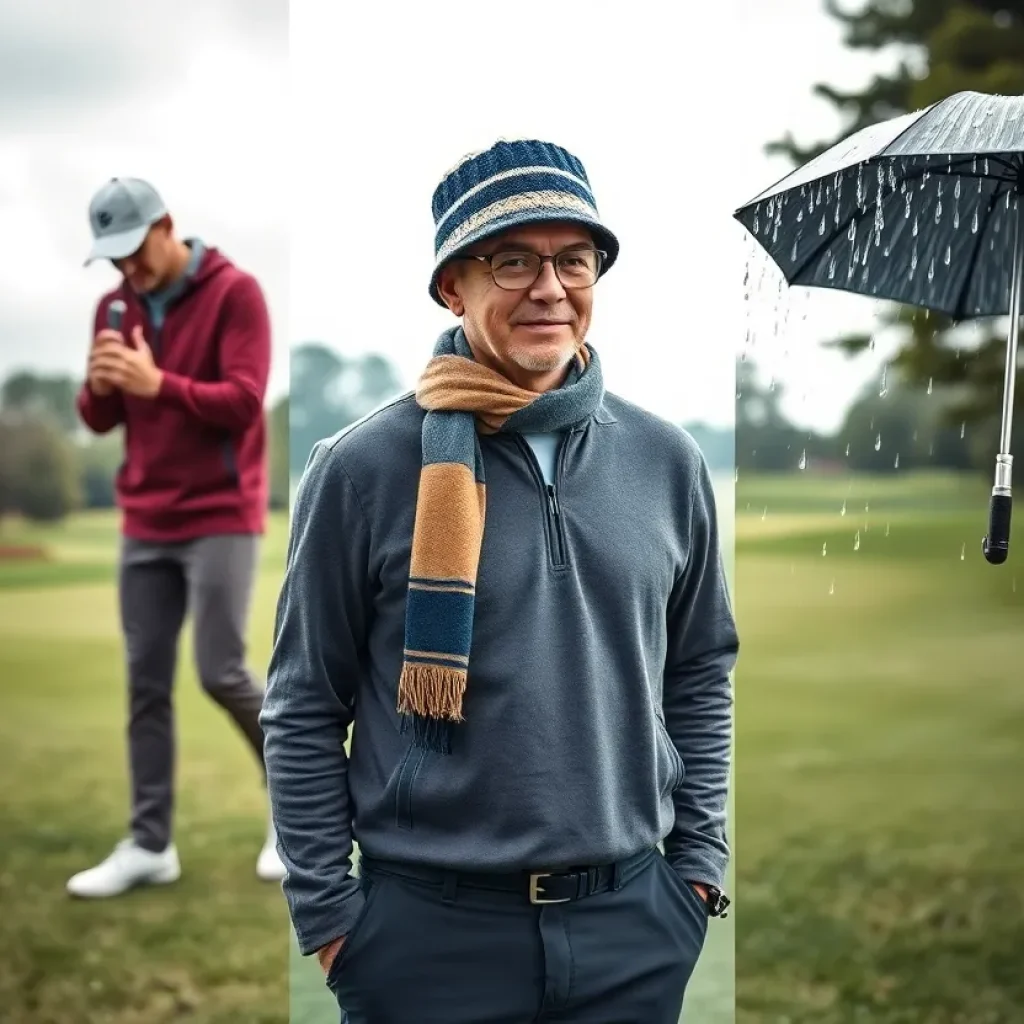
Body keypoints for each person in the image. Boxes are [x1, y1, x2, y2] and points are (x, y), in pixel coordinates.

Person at [262, 140, 738, 1023]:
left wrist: (697, 871)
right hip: (426, 941)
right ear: (454, 285)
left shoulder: (669, 461)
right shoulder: (361, 468)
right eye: (513, 260)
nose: (550, 287)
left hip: (635, 927)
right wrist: (333, 920)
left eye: (574, 259)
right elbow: (302, 707)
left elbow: (703, 671)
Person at [67, 177, 285, 898]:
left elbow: (245, 403)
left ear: (165, 226)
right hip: (145, 520)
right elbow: (100, 419)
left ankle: (296, 816)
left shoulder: (236, 293)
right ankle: (149, 843)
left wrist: (156, 381)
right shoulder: (115, 305)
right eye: (113, 260)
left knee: (221, 669)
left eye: (133, 252)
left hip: (221, 511)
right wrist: (102, 386)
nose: (126, 271)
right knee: (144, 684)